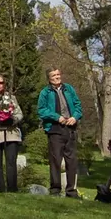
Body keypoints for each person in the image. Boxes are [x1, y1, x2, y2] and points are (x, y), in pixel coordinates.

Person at [37, 67, 84, 198]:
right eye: (54, 75)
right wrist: (57, 117)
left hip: (70, 129)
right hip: (55, 129)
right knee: (55, 160)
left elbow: (78, 105)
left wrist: (75, 117)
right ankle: (55, 189)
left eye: (58, 74)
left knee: (72, 160)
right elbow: (41, 110)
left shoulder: (68, 89)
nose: (57, 77)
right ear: (49, 78)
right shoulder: (45, 92)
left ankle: (71, 190)